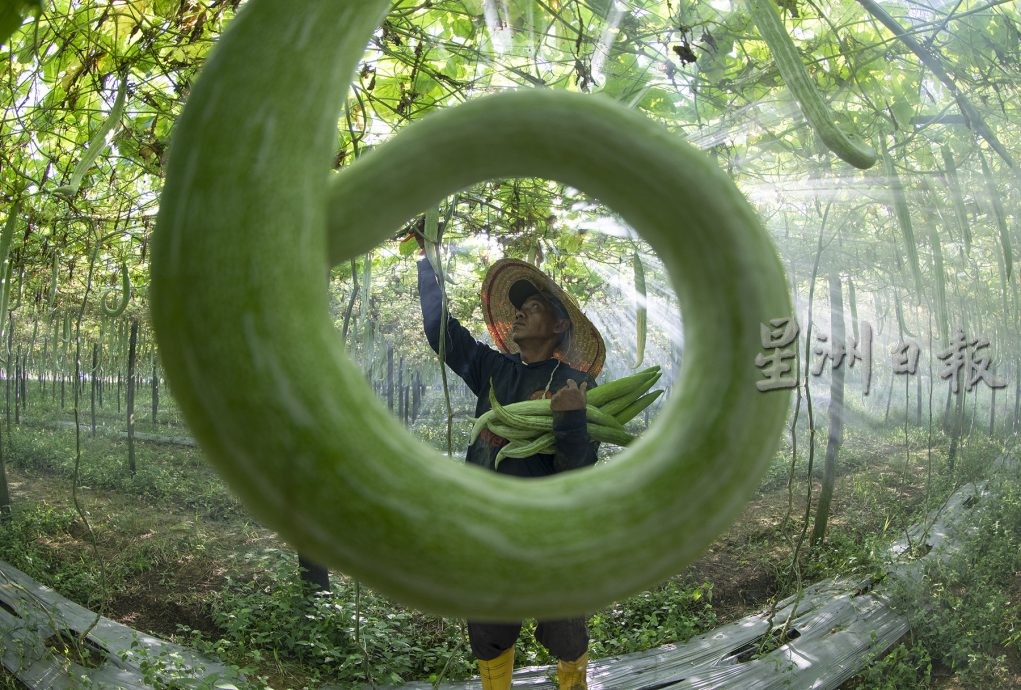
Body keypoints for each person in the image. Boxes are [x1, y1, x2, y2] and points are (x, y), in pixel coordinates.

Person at [416, 247, 606, 690]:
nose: (519, 313)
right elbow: (439, 331)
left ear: (559, 326)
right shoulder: (493, 369)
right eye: (519, 308)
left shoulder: (577, 386)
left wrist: (571, 419)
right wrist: (426, 261)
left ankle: (573, 684)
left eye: (533, 307)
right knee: (489, 628)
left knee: (564, 626)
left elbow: (576, 471)